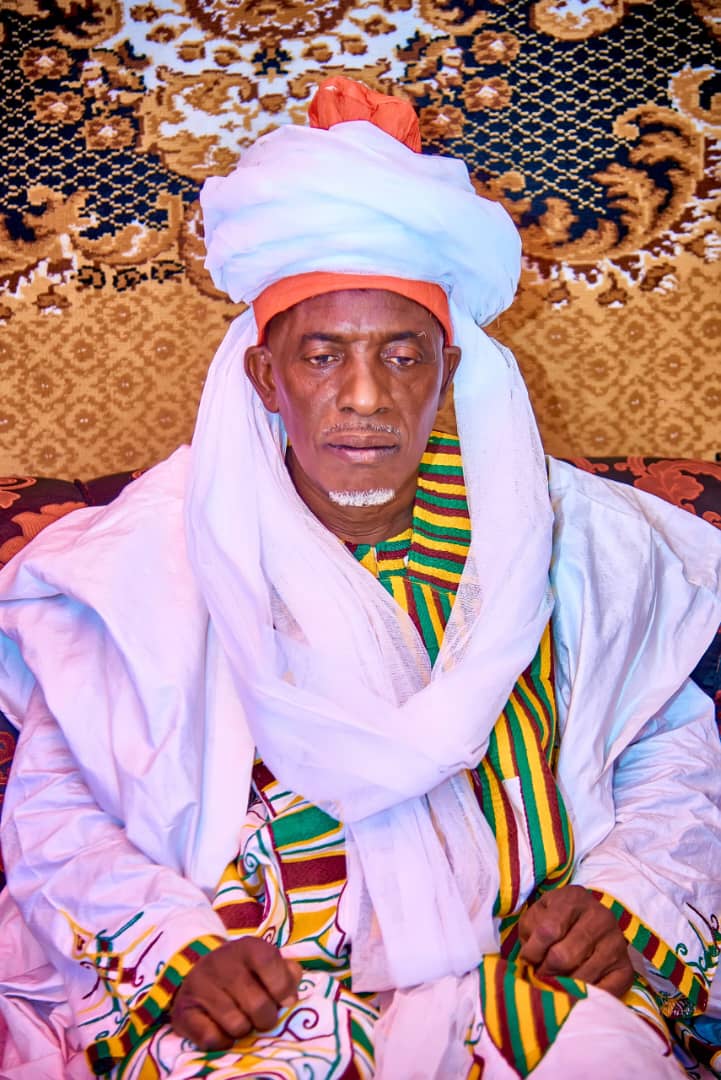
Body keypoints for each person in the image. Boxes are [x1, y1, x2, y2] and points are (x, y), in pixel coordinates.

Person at [0, 76, 720, 1080]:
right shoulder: (143, 561)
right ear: (266, 377)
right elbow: (57, 802)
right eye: (323, 356)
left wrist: (623, 898)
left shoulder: (574, 540)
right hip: (249, 991)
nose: (366, 397)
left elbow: (667, 750)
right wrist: (176, 953)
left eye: (402, 357)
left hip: (527, 978)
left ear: (446, 372)